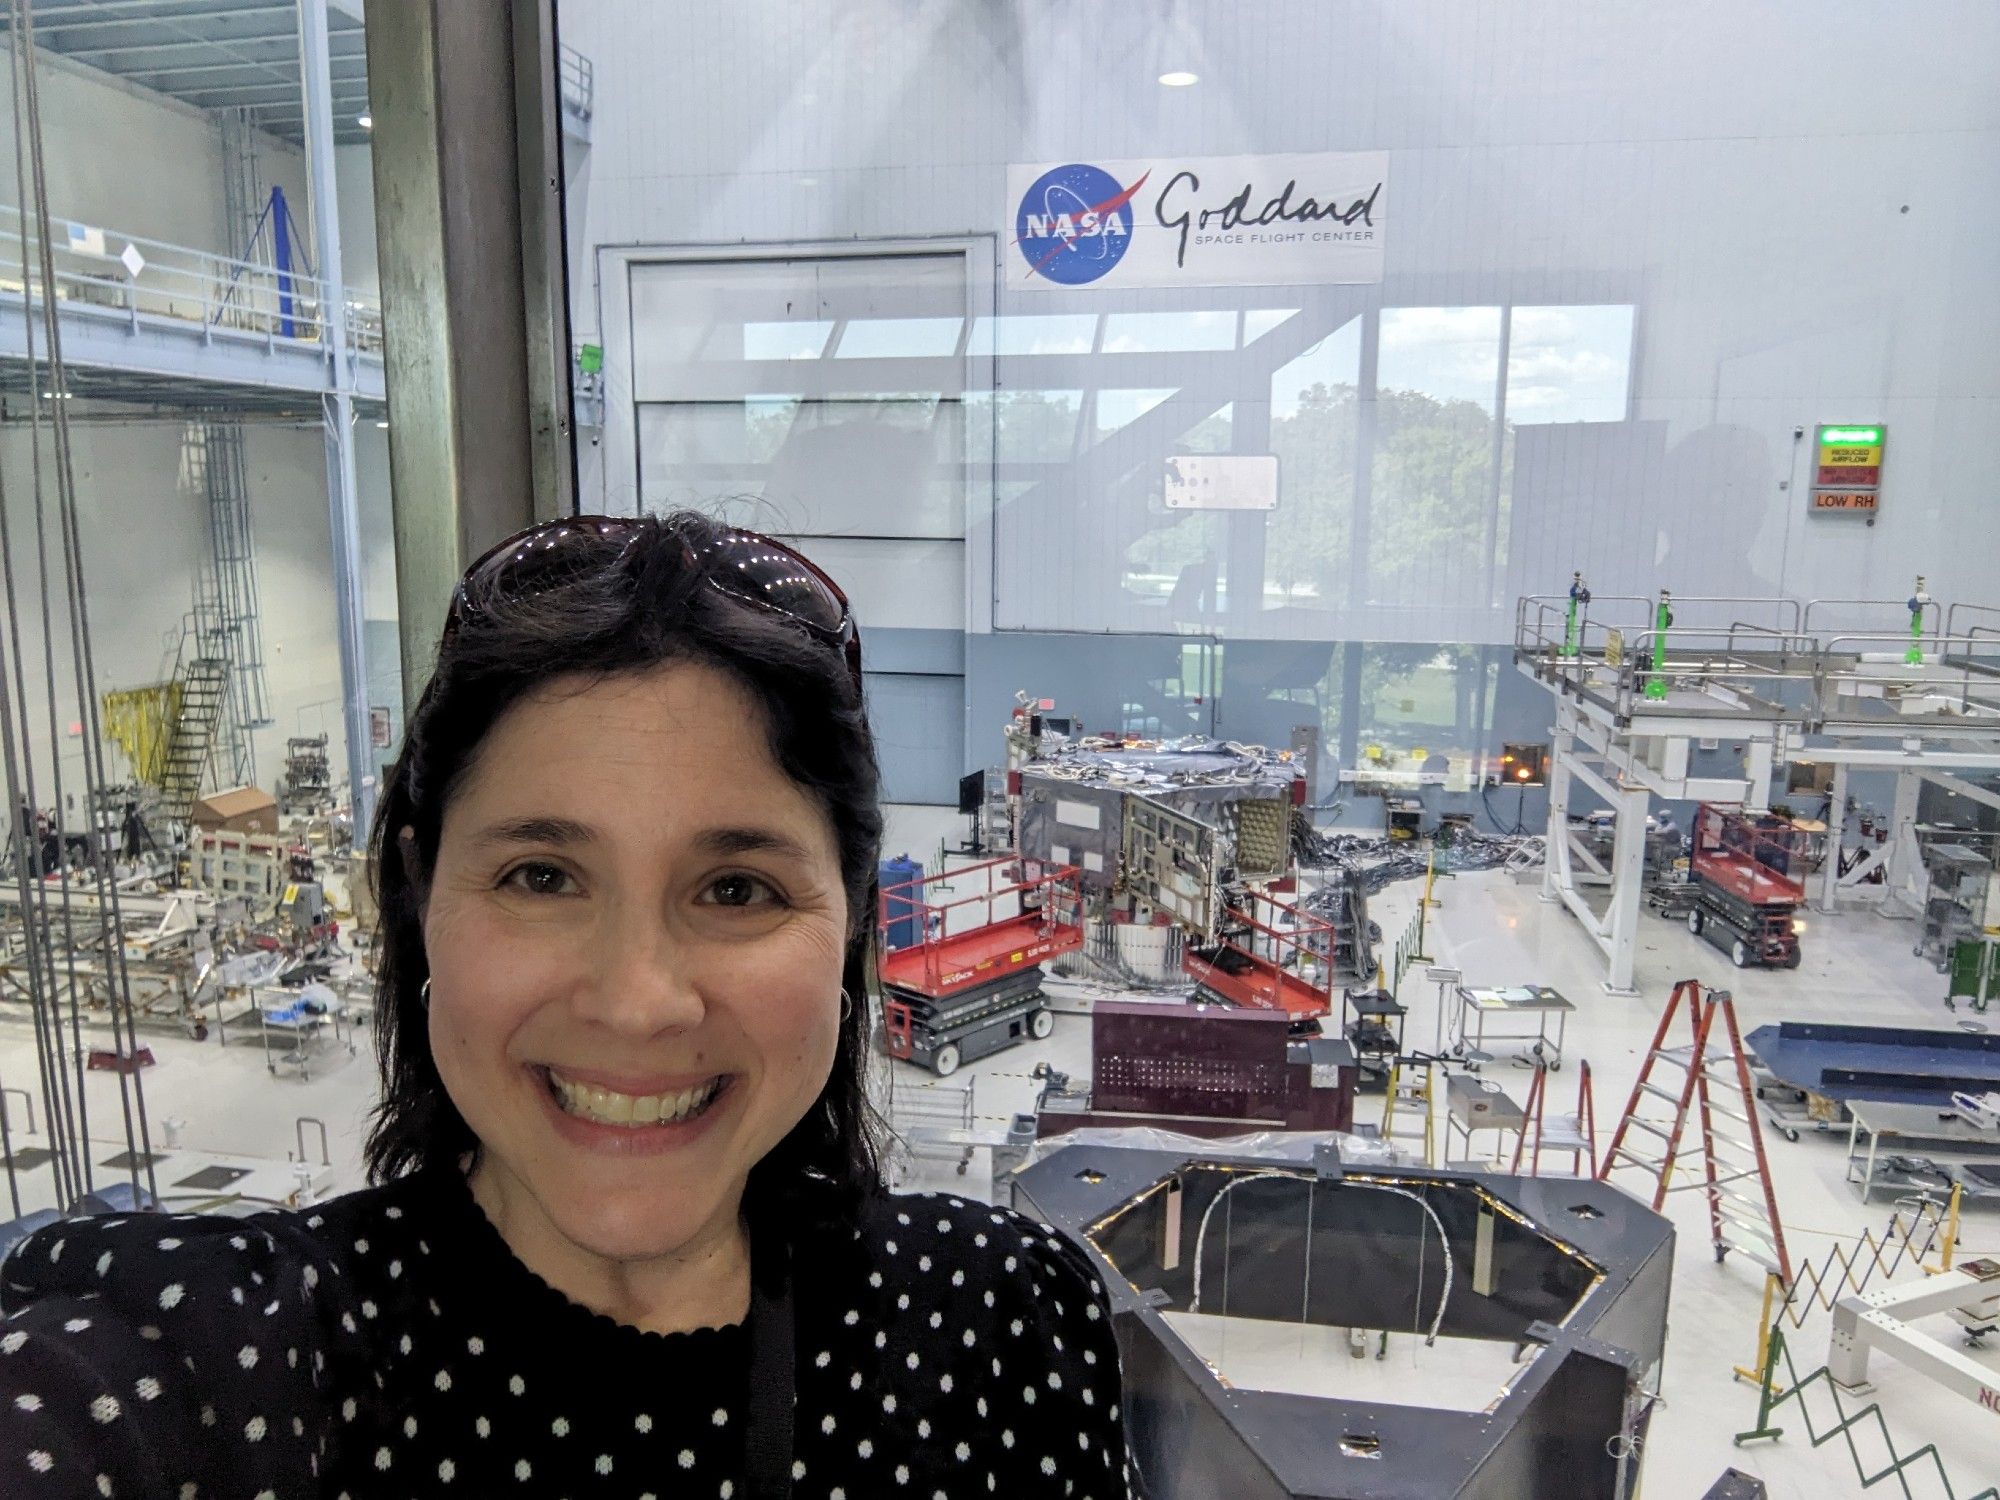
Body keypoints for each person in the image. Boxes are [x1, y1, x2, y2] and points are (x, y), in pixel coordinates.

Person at [0, 512, 1130, 1498]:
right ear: (416, 896)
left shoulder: (1005, 1331)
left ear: (851, 930)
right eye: (540, 876)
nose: (637, 1003)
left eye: (735, 888)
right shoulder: (217, 1366)